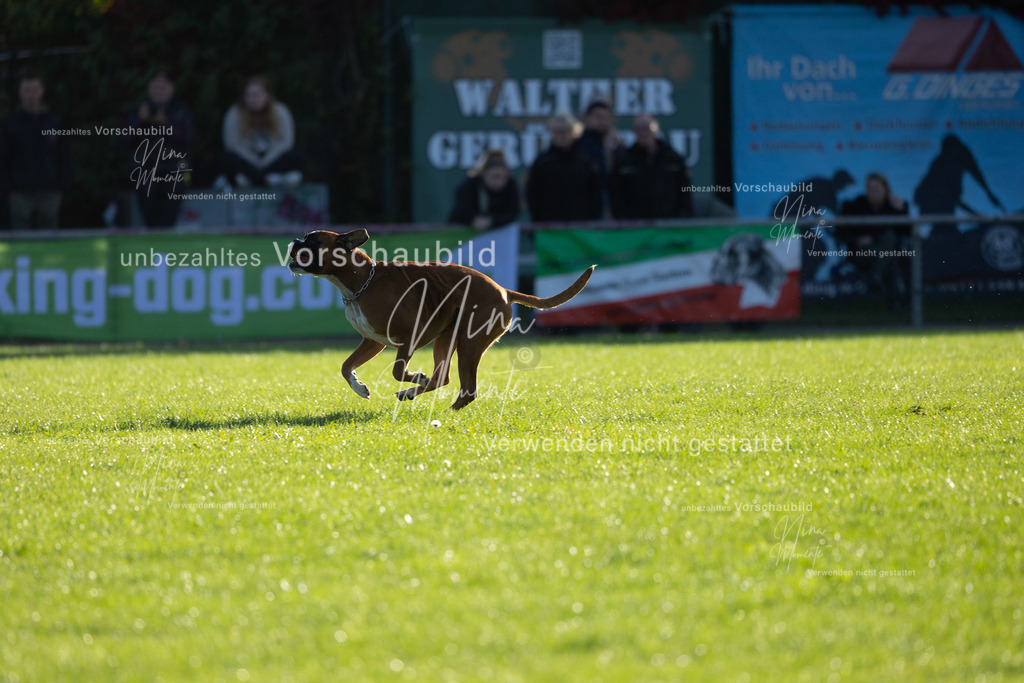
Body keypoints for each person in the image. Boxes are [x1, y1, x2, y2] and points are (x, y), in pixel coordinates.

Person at [121, 69, 195, 228]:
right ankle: (152, 239)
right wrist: (139, 121)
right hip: (145, 169)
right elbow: (123, 138)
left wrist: (166, 125)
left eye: (163, 87)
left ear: (172, 88)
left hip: (175, 169)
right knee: (148, 203)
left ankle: (166, 240)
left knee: (170, 207)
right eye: (155, 87)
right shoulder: (138, 111)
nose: (159, 91)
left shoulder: (181, 111)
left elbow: (187, 138)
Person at [0, 72, 73, 229]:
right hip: (20, 192)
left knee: (49, 239)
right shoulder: (10, 123)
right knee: (21, 240)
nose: (30, 95)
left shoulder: (54, 121)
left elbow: (64, 155)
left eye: (34, 90)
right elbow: (3, 157)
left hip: (50, 190)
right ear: (20, 93)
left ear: (42, 91)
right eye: (26, 90)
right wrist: (8, 188)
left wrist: (62, 186)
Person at [840, 172, 910, 312]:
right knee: (891, 256)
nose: (873, 192)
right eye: (869, 189)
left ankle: (876, 276)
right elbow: (841, 231)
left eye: (877, 189)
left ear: (886, 190)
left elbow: (906, 232)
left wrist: (900, 212)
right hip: (863, 254)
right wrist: (857, 240)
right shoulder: (856, 206)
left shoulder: (894, 207)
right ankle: (896, 303)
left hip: (886, 255)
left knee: (890, 245)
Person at [220, 75, 304, 188]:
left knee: (296, 157)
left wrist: (266, 160)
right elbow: (232, 144)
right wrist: (253, 160)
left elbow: (286, 142)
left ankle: (252, 179)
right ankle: (270, 179)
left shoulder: (280, 111)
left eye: (257, 95)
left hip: (272, 159)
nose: (253, 100)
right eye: (249, 96)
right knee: (226, 159)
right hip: (247, 160)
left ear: (267, 95)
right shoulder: (235, 113)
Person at [609, 113, 693, 220]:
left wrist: (683, 217)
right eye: (639, 129)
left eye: (647, 128)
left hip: (669, 225)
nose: (644, 133)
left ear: (656, 129)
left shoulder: (673, 158)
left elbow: (685, 192)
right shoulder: (624, 162)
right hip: (636, 228)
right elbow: (616, 196)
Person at [526, 113, 601, 222]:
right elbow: (532, 195)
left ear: (573, 132)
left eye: (564, 131)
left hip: (581, 230)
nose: (560, 135)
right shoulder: (542, 162)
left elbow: (595, 196)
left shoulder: (586, 162)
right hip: (549, 229)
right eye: (556, 131)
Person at [448, 149, 520, 231]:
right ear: (483, 173)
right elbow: (461, 212)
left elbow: (512, 213)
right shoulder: (469, 186)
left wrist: (492, 222)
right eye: (495, 177)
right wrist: (475, 220)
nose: (499, 182)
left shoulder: (511, 185)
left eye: (503, 177)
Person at [574, 96, 620, 217]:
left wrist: (611, 151)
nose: (602, 121)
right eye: (598, 117)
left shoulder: (615, 145)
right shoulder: (579, 145)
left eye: (605, 117)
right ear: (586, 118)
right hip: (587, 207)